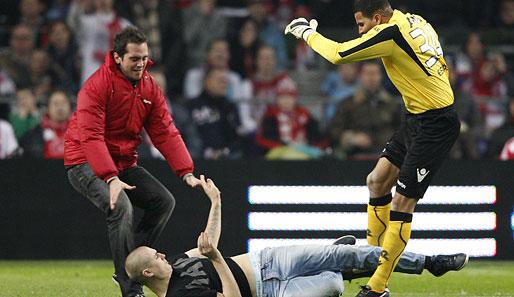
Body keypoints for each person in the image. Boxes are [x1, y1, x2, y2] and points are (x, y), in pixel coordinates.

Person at [285, 1, 461, 296]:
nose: (360, 31)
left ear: (377, 18)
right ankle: (370, 258)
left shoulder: (390, 33)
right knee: (376, 181)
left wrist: (306, 33)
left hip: (435, 124)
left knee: (402, 205)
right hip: (417, 116)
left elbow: (339, 55)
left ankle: (377, 287)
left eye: (361, 24)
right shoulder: (415, 20)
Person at [125, 177, 469, 297]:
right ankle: (339, 260)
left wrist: (215, 202)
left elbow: (208, 241)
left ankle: (429, 263)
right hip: (271, 292)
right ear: (148, 274)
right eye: (156, 257)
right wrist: (215, 258)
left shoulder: (182, 263)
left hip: (267, 260)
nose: (163, 255)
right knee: (334, 284)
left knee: (354, 257)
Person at [64, 26, 202, 297]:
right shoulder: (96, 86)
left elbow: (165, 130)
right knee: (121, 207)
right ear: (117, 57)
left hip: (123, 162)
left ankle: (126, 268)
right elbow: (90, 137)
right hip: (83, 162)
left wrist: (186, 171)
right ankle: (130, 288)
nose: (140, 64)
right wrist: (111, 178)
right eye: (134, 59)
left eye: (144, 58)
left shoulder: (149, 86)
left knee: (163, 202)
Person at [326, 60, 402, 159]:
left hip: (387, 158)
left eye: (374, 73)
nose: (371, 78)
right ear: (361, 76)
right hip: (355, 157)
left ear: (381, 76)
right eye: (367, 73)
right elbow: (333, 130)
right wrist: (350, 138)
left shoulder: (391, 105)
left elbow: (402, 131)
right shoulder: (348, 104)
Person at [19, 89, 71, 158]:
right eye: (55, 103)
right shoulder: (34, 133)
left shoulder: (80, 132)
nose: (60, 108)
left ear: (70, 107)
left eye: (63, 103)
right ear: (48, 108)